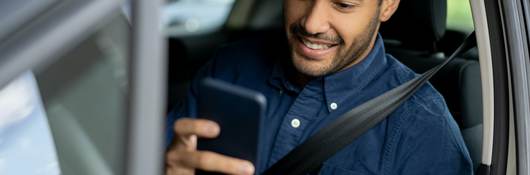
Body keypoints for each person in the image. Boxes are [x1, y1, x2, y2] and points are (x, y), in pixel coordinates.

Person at [165, 0, 473, 174]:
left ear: (387, 6)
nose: (312, 23)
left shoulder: (424, 132)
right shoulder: (229, 69)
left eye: (343, 4)